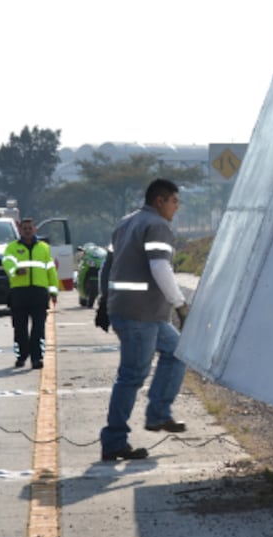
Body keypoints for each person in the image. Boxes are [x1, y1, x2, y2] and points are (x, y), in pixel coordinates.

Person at [96, 178, 191, 462]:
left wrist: (103, 301)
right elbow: (161, 267)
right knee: (132, 377)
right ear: (160, 200)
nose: (176, 207)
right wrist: (181, 305)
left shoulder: (125, 222)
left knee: (176, 352)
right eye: (174, 201)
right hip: (141, 316)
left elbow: (107, 266)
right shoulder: (157, 225)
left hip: (132, 311)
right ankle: (114, 441)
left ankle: (159, 414)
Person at [1, 218, 59, 369]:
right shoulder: (12, 248)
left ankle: (36, 358)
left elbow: (50, 270)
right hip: (19, 294)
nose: (27, 230)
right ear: (20, 230)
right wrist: (15, 270)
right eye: (24, 228)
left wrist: (53, 291)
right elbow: (7, 262)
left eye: (30, 228)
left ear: (35, 230)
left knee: (38, 328)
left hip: (39, 294)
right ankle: (21, 356)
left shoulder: (44, 248)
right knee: (19, 328)